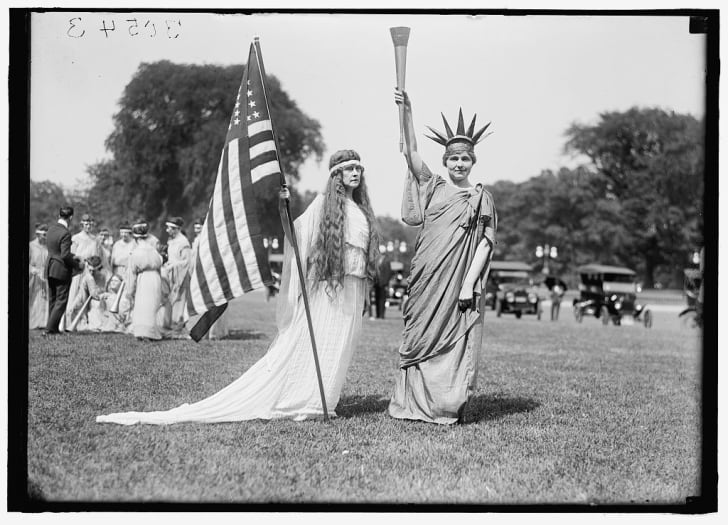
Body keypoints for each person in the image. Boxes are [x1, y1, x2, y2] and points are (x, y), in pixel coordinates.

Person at [97, 149, 379, 425]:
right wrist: (283, 208)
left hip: (353, 288)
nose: (355, 173)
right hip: (331, 289)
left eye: (358, 169)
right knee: (322, 339)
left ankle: (325, 396)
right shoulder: (322, 205)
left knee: (342, 343)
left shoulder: (361, 210)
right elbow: (296, 237)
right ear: (335, 175)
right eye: (348, 169)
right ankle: (311, 398)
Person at [388, 89, 497, 425]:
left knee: (451, 337)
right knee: (419, 332)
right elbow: (411, 152)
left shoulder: (481, 198)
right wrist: (408, 112)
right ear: (445, 162)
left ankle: (443, 405)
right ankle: (412, 404)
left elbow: (484, 244)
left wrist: (467, 286)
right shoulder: (433, 185)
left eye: (465, 159)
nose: (459, 164)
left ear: (473, 162)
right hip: (426, 276)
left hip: (458, 281)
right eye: (453, 159)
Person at [45, 206, 81, 335]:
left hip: (49, 267)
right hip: (60, 269)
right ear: (70, 217)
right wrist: (77, 265)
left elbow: (55, 251)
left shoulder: (50, 230)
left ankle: (53, 329)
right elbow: (65, 255)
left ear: (59, 216)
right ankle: (49, 329)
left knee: (53, 299)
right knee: (61, 300)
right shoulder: (65, 233)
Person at [126, 220, 164, 341]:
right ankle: (150, 332)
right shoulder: (153, 250)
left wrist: (130, 290)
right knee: (152, 305)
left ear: (135, 239)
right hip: (155, 277)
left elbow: (131, 273)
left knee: (142, 304)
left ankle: (144, 333)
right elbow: (160, 263)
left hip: (144, 278)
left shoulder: (135, 252)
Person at [65, 213, 102, 326]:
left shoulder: (95, 239)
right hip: (78, 269)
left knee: (88, 295)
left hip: (91, 270)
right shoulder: (75, 238)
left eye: (90, 224)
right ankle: (70, 321)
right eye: (86, 224)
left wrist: (94, 266)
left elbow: (98, 257)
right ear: (82, 224)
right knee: (76, 293)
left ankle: (85, 322)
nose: (88, 226)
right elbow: (71, 255)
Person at [159, 216, 191, 337]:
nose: (167, 230)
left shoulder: (183, 243)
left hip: (180, 277)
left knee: (179, 300)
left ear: (176, 229)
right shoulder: (171, 241)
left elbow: (187, 262)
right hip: (171, 275)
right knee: (170, 300)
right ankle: (169, 325)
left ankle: (178, 326)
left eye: (169, 228)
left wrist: (173, 265)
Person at [67, 255, 109, 331]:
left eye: (94, 271)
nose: (91, 272)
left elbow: (101, 291)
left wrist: (102, 295)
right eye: (90, 270)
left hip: (99, 300)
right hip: (86, 300)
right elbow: (83, 295)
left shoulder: (103, 277)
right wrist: (74, 305)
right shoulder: (88, 277)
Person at [29, 223, 49, 329]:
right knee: (34, 300)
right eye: (44, 235)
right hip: (34, 277)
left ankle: (43, 322)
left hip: (45, 277)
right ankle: (33, 322)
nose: (45, 237)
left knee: (44, 299)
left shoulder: (47, 247)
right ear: (38, 235)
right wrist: (34, 270)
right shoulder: (31, 246)